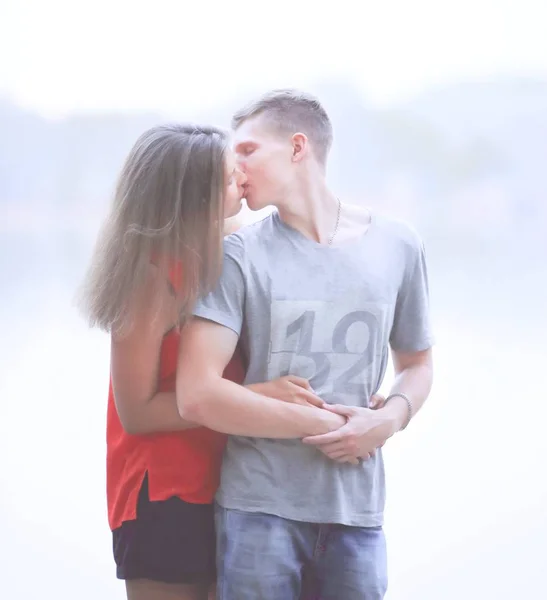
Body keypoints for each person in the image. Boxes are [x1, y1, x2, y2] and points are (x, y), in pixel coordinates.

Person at [176, 90, 435, 600]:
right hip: (258, 509)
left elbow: (418, 362)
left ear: (298, 147)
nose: (236, 167)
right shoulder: (236, 256)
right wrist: (325, 424)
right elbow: (197, 394)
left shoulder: (398, 245)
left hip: (357, 510)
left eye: (248, 150)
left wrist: (389, 419)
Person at [77, 123, 348, 600]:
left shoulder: (230, 249)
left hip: (232, 485)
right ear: (191, 197)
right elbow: (136, 413)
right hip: (163, 494)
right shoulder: (149, 278)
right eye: (227, 177)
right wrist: (248, 398)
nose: (242, 178)